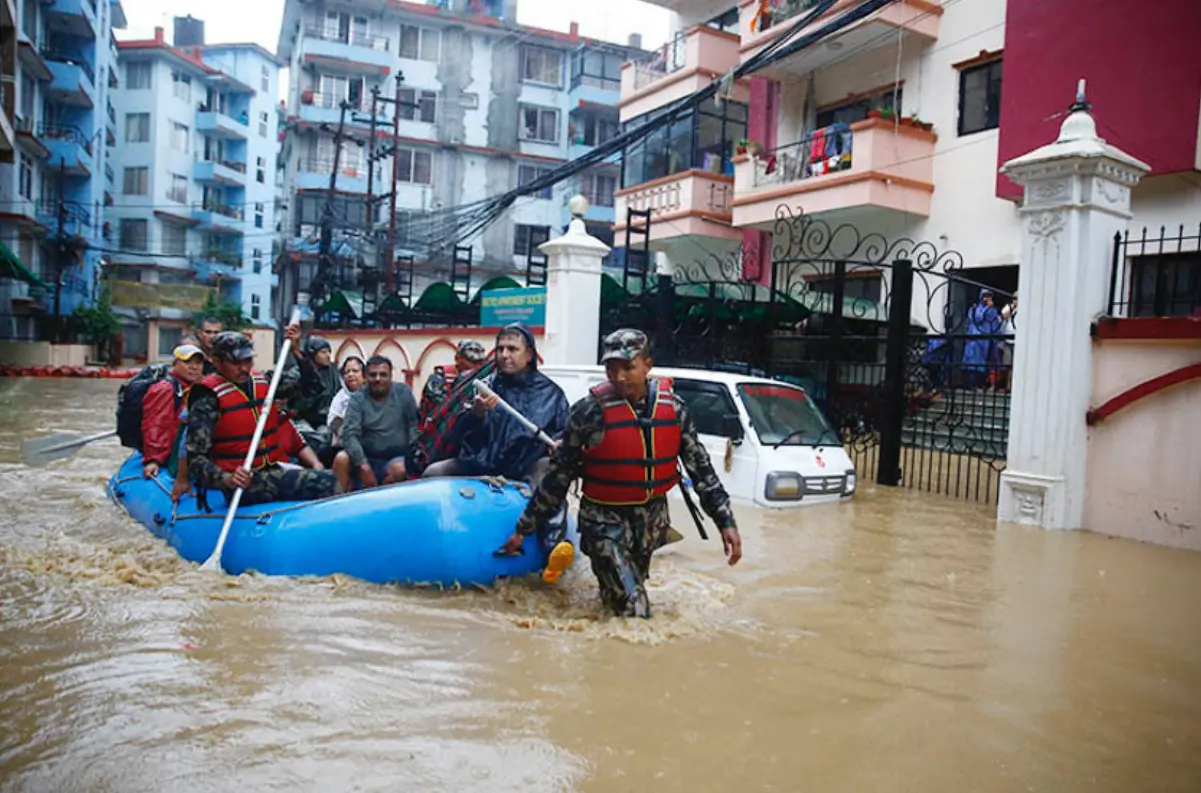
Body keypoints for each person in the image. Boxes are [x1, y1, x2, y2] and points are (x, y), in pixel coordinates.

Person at [499, 329, 743, 618]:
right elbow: (557, 479)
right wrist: (523, 529)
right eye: (611, 368)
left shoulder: (674, 411)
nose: (619, 377)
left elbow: (701, 471)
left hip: (649, 524)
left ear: (648, 365)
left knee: (618, 600)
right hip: (603, 522)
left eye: (628, 367)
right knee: (635, 611)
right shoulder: (588, 414)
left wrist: (725, 521)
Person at [186, 329, 339, 506]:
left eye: (248, 360)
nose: (244, 368)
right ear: (217, 361)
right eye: (235, 362)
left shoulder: (264, 381)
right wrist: (226, 478)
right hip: (240, 481)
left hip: (271, 468)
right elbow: (196, 459)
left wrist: (296, 351)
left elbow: (313, 387)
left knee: (333, 479)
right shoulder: (207, 398)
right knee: (324, 483)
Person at [334, 356, 419, 491]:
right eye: (373, 375)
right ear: (366, 377)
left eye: (383, 374)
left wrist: (412, 456)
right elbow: (349, 434)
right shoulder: (357, 398)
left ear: (391, 376)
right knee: (341, 459)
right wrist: (362, 464)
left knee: (400, 469)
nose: (378, 379)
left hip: (396, 457)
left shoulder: (403, 393)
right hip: (364, 456)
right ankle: (340, 504)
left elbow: (414, 425)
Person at [411, 340, 493, 475]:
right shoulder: (440, 378)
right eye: (470, 362)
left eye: (479, 363)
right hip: (434, 436)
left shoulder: (483, 380)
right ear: (458, 359)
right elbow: (444, 408)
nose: (475, 367)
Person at [141, 343, 206, 481]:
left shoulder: (196, 386)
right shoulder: (165, 388)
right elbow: (155, 424)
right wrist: (154, 459)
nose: (194, 367)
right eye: (187, 362)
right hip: (172, 453)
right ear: (175, 363)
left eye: (198, 363)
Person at [285, 335, 343, 464]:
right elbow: (293, 405)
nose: (328, 355)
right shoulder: (295, 374)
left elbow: (340, 395)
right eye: (323, 352)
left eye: (329, 352)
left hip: (325, 420)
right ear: (312, 354)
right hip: (302, 420)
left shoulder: (333, 372)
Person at [964, 289, 1003, 391]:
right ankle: (973, 385)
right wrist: (986, 309)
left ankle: (982, 385)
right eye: (985, 296)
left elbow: (995, 323)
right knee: (973, 363)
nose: (987, 298)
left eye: (989, 296)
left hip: (987, 340)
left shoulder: (992, 309)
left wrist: (996, 338)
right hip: (975, 339)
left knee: (985, 364)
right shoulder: (975, 308)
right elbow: (978, 318)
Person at [326, 356, 365, 449]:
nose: (350, 374)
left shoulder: (373, 393)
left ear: (364, 375)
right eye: (347, 372)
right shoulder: (340, 396)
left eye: (355, 371)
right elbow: (332, 422)